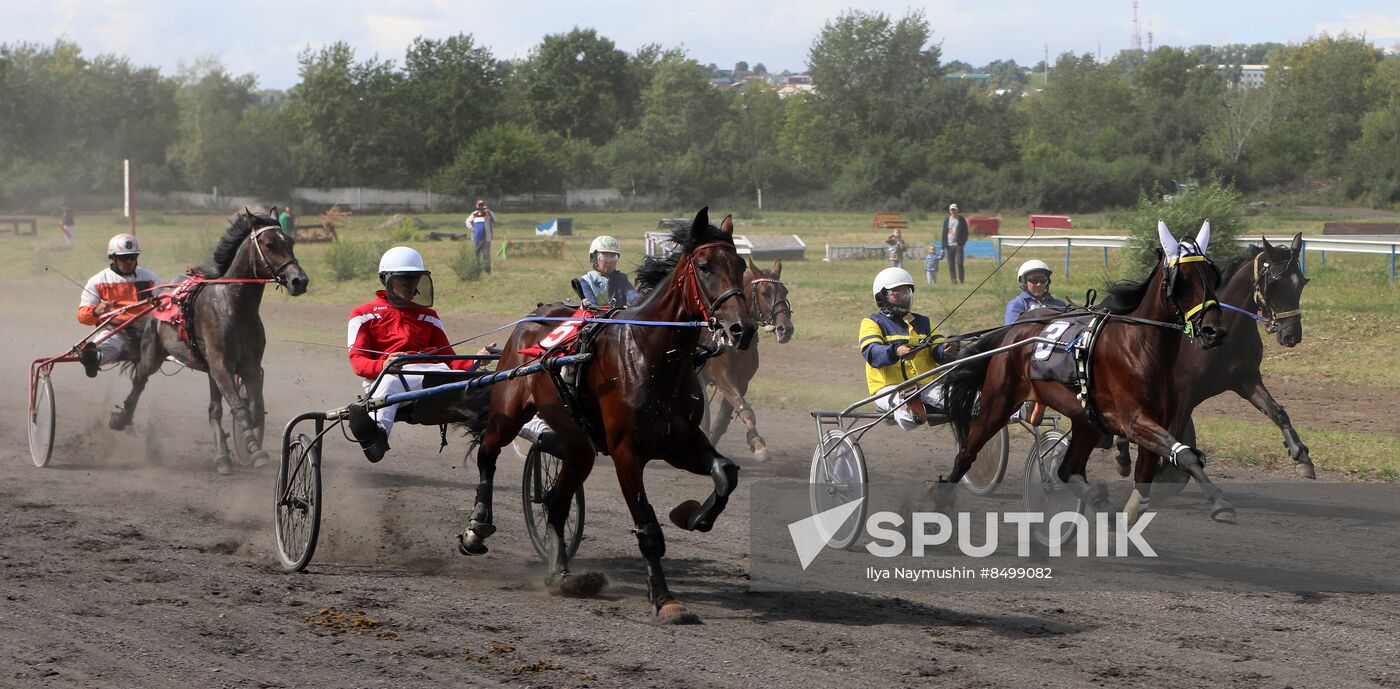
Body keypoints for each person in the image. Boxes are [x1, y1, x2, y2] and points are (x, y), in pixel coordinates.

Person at [344, 246, 491, 462]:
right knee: (390, 382)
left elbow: (449, 359)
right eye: (404, 278)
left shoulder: (428, 316)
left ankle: (538, 433)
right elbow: (358, 362)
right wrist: (384, 365)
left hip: (434, 376)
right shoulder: (363, 314)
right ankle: (376, 437)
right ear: (386, 279)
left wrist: (477, 358)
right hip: (389, 378)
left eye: (414, 278)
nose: (410, 284)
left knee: (489, 389)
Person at [859, 267, 959, 430]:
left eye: (906, 293)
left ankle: (924, 404)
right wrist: (896, 351)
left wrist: (947, 349)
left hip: (927, 384)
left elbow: (938, 350)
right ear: (881, 297)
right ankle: (910, 405)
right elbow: (871, 352)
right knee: (910, 418)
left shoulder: (924, 322)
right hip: (890, 387)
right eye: (896, 293)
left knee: (961, 398)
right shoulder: (872, 322)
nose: (902, 298)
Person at [77, 234, 159, 378]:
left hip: (147, 330)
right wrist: (96, 311)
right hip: (116, 331)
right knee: (98, 352)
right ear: (113, 258)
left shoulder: (151, 277)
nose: (129, 262)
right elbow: (82, 316)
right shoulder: (97, 281)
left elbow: (164, 306)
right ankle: (92, 359)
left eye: (133, 257)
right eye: (123, 258)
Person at [577, 235, 640, 308]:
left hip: (620, 317)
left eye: (613, 256)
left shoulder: (621, 278)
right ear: (594, 258)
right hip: (596, 318)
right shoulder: (586, 280)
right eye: (605, 256)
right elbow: (592, 306)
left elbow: (634, 298)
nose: (609, 260)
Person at [1004, 259, 1067, 325]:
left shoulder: (1059, 305)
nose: (1039, 284)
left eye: (1043, 280)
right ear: (1023, 282)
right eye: (1034, 280)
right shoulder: (1017, 305)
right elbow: (1012, 332)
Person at [941, 203, 969, 284]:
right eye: (952, 210)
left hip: (958, 245)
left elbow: (966, 232)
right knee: (951, 265)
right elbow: (943, 234)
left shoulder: (961, 220)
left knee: (959, 262)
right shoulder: (947, 220)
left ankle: (961, 280)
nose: (953, 211)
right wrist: (943, 248)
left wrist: (963, 242)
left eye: (955, 209)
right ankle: (954, 280)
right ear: (950, 211)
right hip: (949, 245)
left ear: (957, 210)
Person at [466, 199, 496, 275]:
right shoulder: (474, 214)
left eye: (482, 205)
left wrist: (488, 211)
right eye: (479, 205)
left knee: (486, 255)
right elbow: (467, 221)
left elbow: (495, 220)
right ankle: (476, 271)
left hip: (486, 238)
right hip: (476, 238)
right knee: (476, 255)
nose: (481, 207)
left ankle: (487, 271)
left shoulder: (488, 214)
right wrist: (471, 228)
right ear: (477, 206)